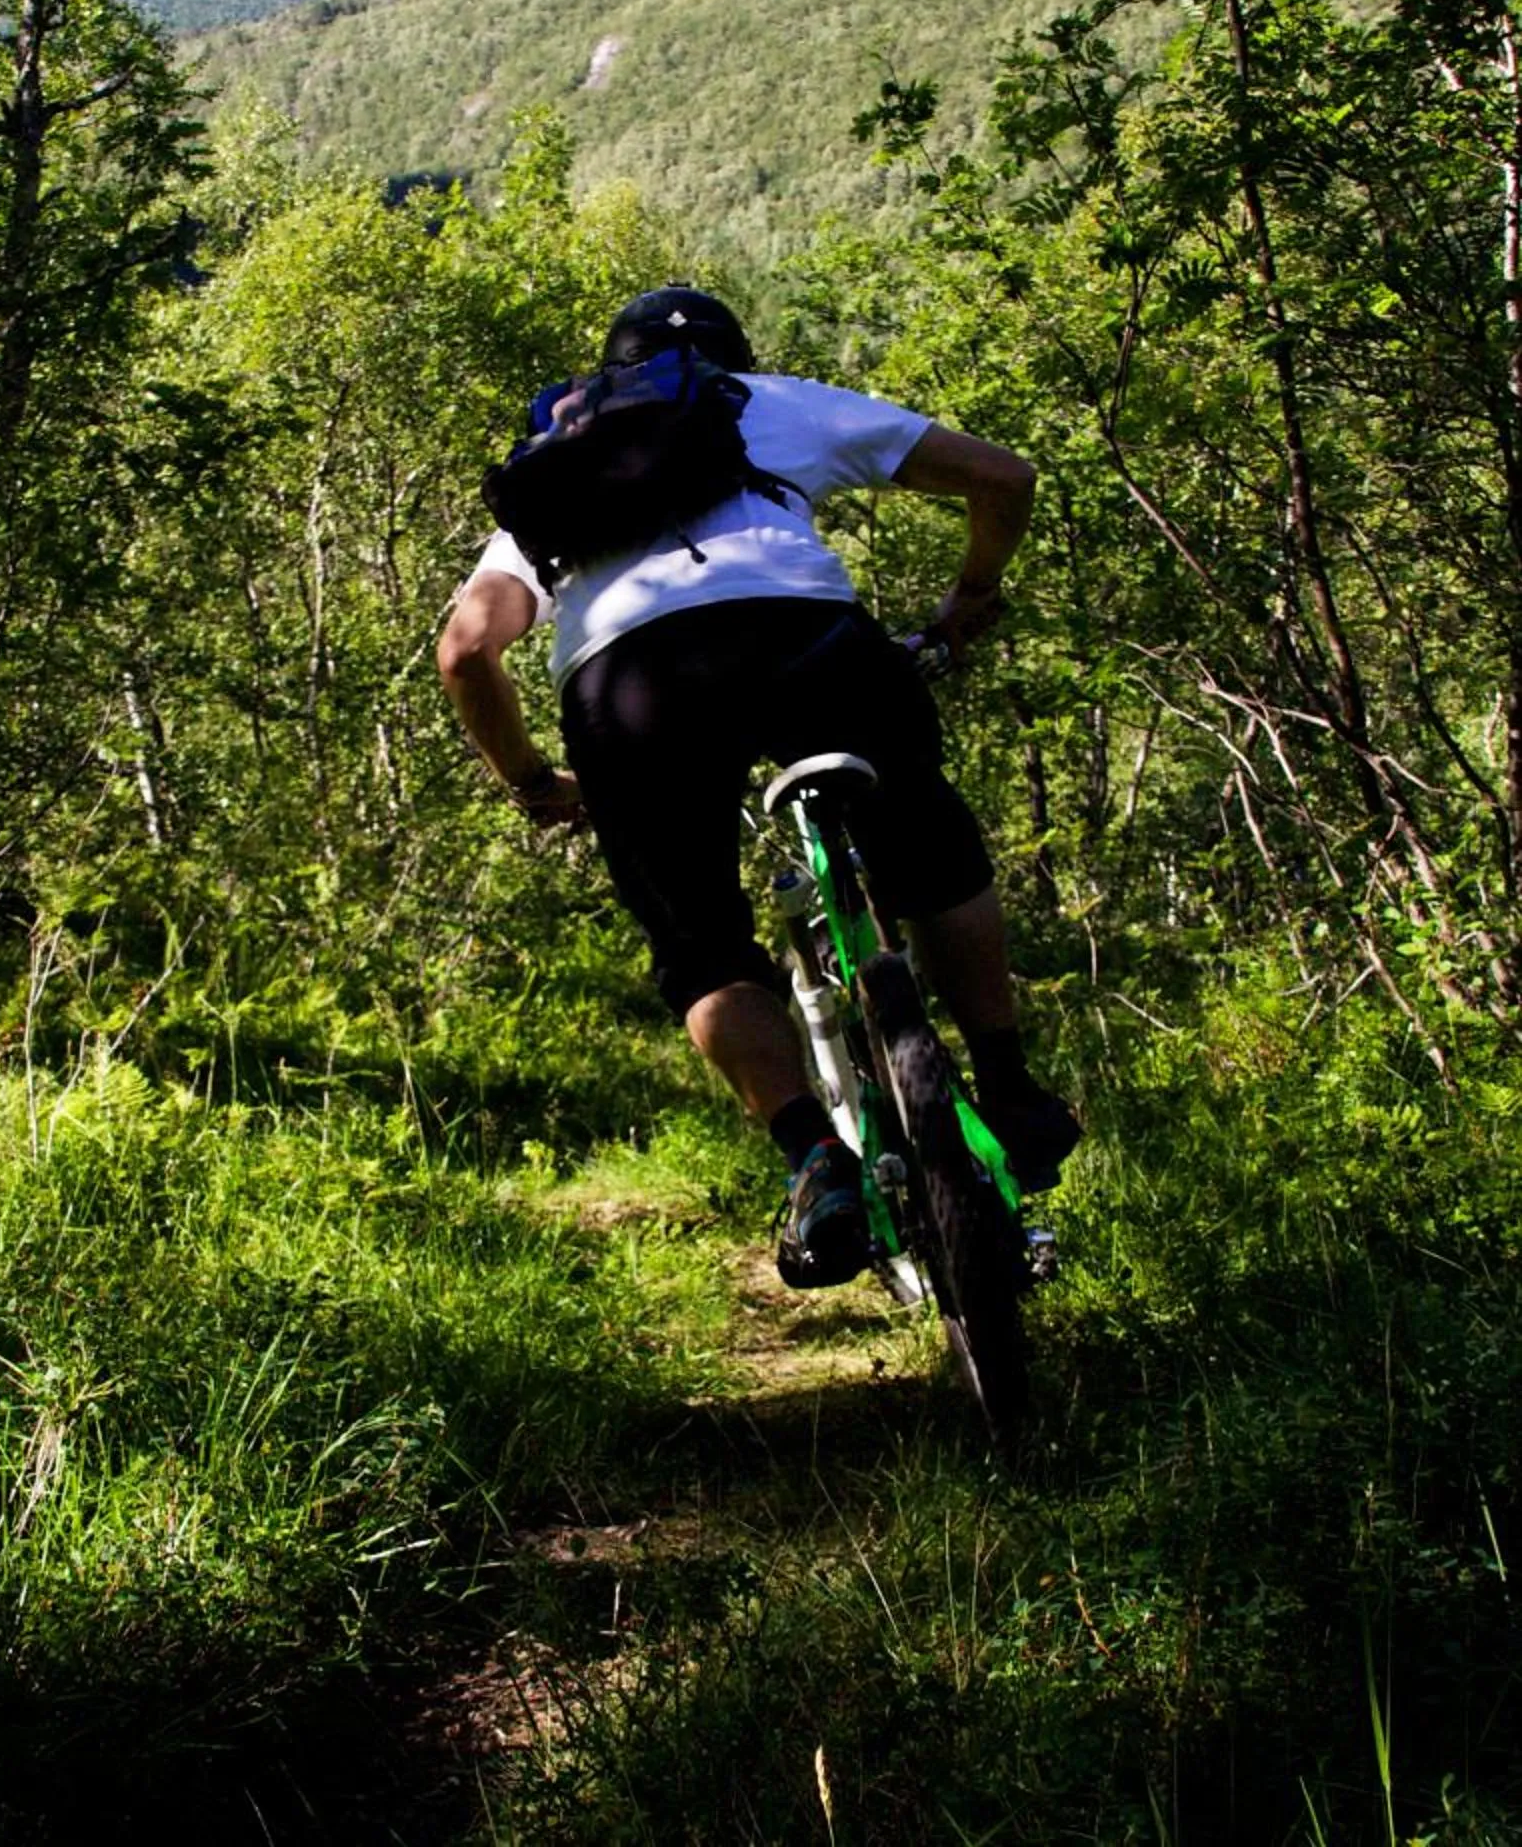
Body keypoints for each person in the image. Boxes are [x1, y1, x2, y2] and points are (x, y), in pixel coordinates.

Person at [437, 286, 1080, 1289]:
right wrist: (971, 595)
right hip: (807, 644)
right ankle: (1008, 1088)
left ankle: (813, 1159)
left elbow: (468, 649)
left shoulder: (561, 456)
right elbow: (1003, 474)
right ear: (731, 356)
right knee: (932, 850)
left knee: (702, 944)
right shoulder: (766, 401)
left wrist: (533, 781)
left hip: (626, 693)